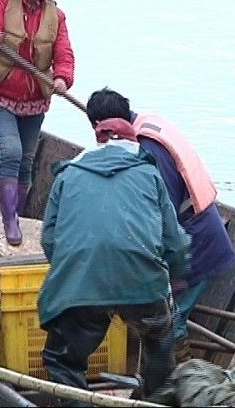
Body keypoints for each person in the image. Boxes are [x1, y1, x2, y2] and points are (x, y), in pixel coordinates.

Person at [37, 118, 191, 405]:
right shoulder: (150, 175)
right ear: (132, 145)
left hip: (82, 284)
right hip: (143, 283)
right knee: (159, 340)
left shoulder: (66, 176)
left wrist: (72, 273)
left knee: (63, 361)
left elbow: (49, 239)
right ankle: (155, 399)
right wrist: (170, 279)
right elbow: (176, 243)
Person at [86, 88, 235, 363]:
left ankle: (177, 385)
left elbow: (160, 214)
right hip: (196, 229)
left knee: (171, 322)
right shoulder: (145, 121)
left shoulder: (149, 148)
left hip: (196, 242)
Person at [0, 0, 75, 245]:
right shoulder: (3, 2)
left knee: (27, 161)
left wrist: (62, 78)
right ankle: (10, 222)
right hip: (0, 94)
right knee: (12, 152)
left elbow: (64, 54)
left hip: (34, 99)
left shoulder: (56, 15)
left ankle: (16, 210)